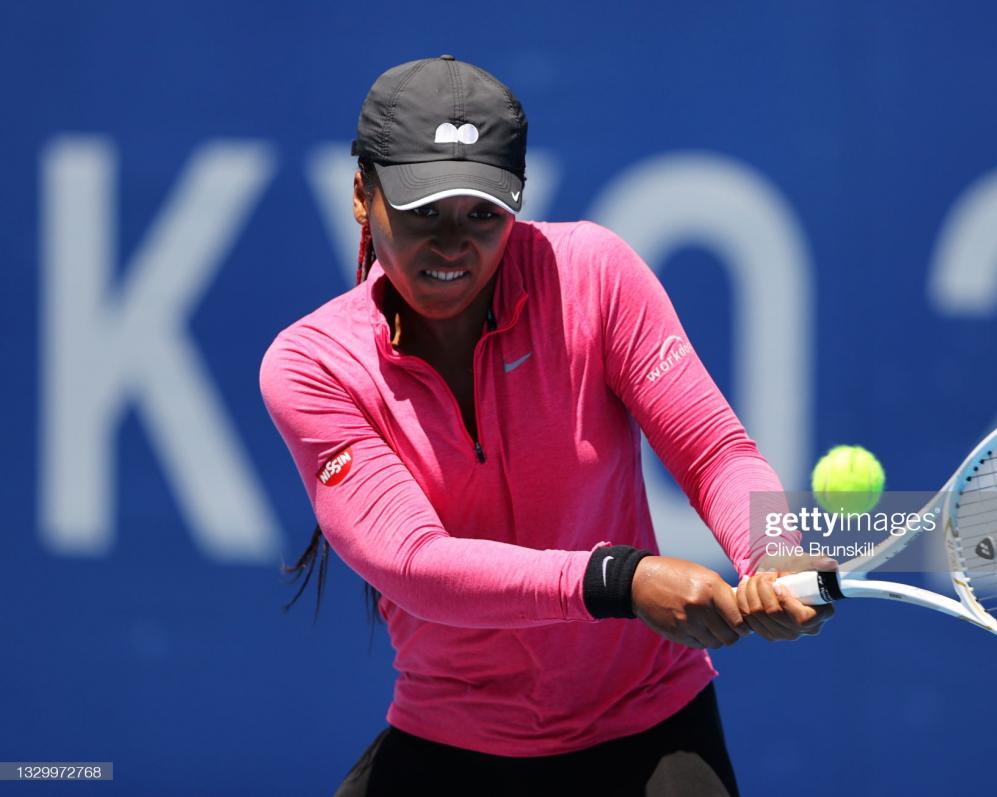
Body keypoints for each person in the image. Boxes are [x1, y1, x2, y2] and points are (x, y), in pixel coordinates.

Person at [259, 55, 835, 796]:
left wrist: (773, 549)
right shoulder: (312, 365)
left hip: (650, 731)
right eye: (423, 210)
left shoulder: (595, 272)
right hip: (449, 746)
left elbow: (714, 451)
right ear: (362, 196)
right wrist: (621, 581)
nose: (453, 243)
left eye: (483, 213)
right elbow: (414, 563)